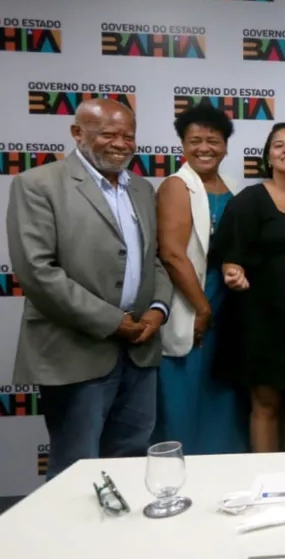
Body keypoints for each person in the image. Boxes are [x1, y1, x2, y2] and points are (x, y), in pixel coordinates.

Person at [6, 99, 171, 478]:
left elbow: (155, 260)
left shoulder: (143, 190)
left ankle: (119, 539)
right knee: (75, 467)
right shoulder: (37, 185)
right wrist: (114, 322)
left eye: (128, 136)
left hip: (140, 352)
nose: (120, 144)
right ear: (77, 133)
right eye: (107, 134)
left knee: (130, 463)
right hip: (75, 351)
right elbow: (37, 271)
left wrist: (157, 310)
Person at [212, 123, 285, 452]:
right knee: (266, 405)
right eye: (278, 145)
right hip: (262, 322)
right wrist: (232, 270)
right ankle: (264, 483)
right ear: (268, 156)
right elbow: (228, 254)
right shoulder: (251, 200)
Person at [154, 103, 247, 454]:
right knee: (186, 395)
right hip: (192, 301)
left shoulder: (235, 187)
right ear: (183, 144)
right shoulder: (177, 186)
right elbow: (173, 256)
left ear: (225, 145)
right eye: (195, 140)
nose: (204, 148)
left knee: (224, 396)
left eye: (213, 140)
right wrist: (202, 309)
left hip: (229, 304)